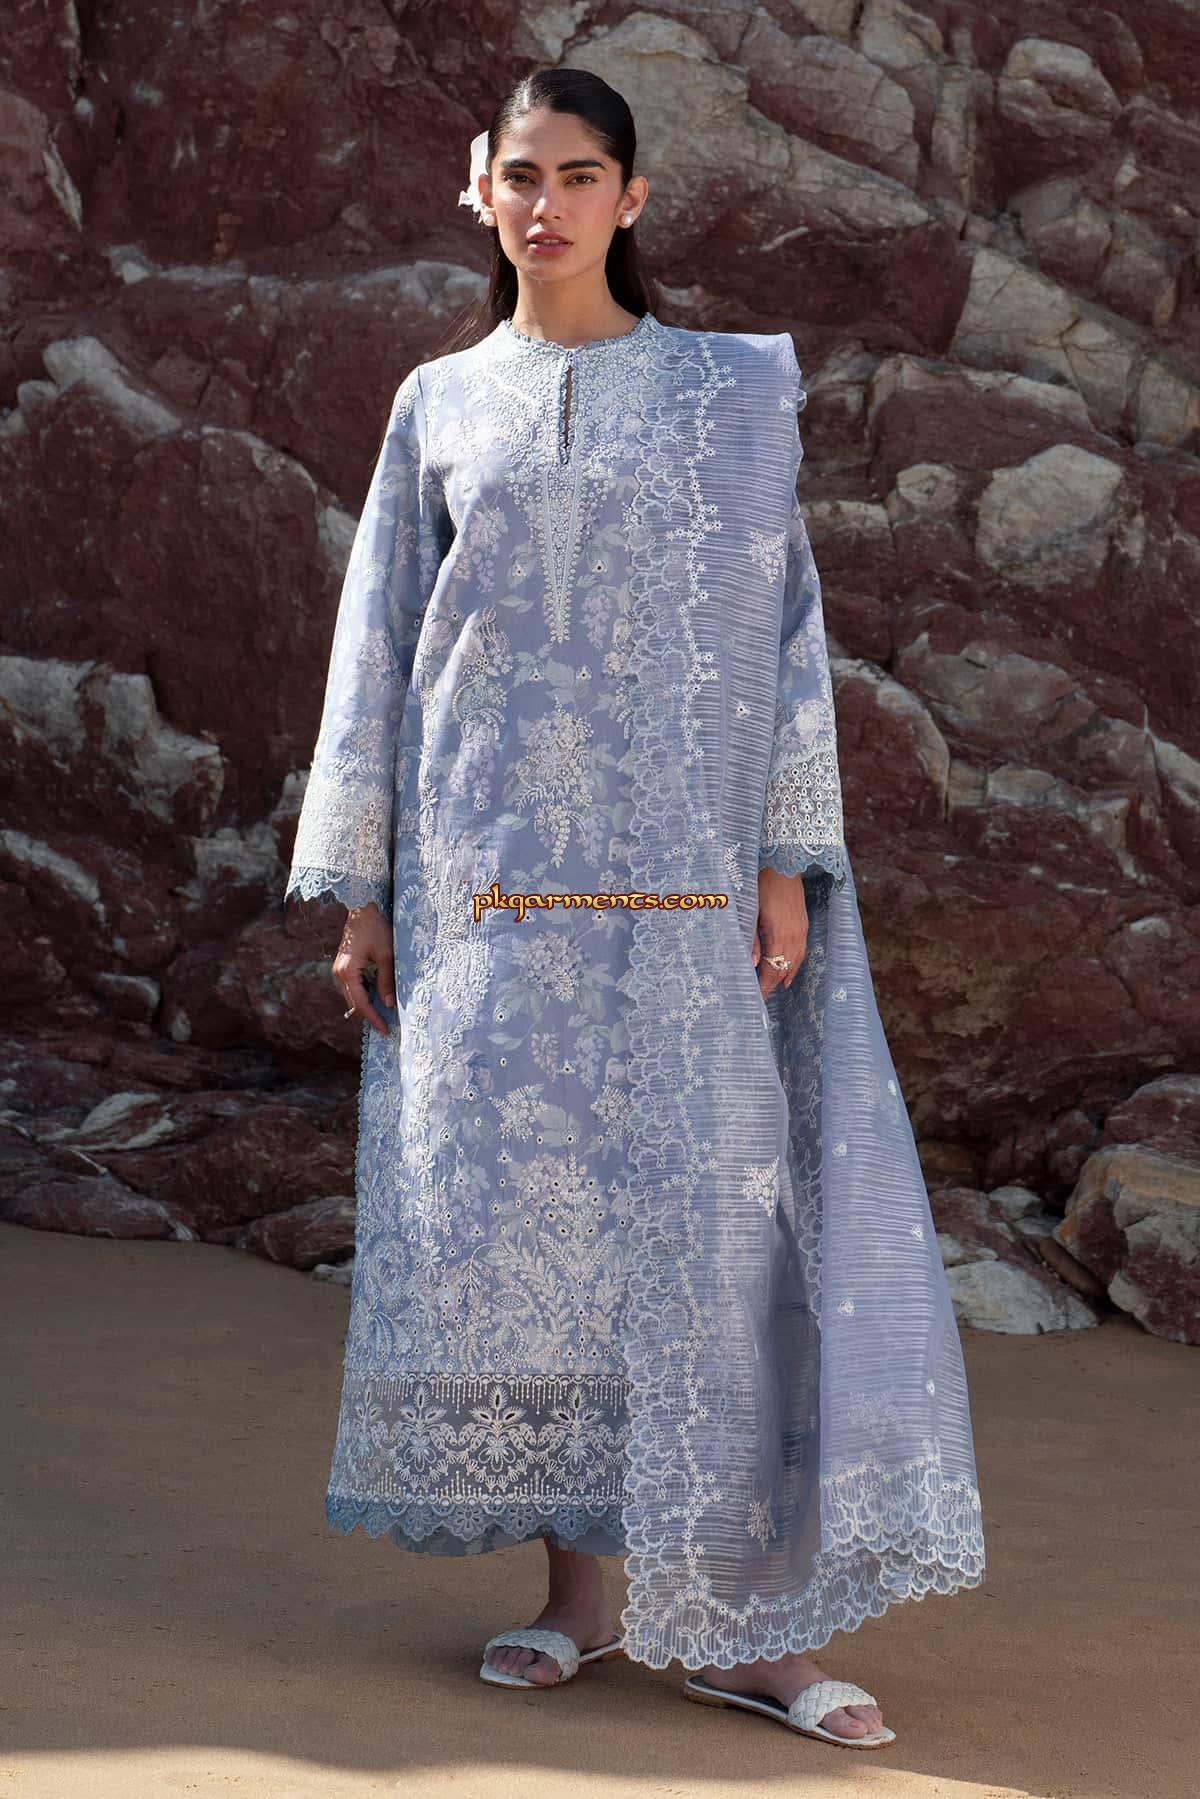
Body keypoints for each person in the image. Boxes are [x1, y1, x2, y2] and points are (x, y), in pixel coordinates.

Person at [285, 66, 985, 1752]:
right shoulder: (439, 401)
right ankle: (581, 1601)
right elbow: (379, 643)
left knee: (715, 1230)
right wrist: (366, 894)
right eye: (522, 175)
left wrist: (780, 859)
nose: (549, 206)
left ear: (633, 195)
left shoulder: (725, 396)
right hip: (486, 884)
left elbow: (789, 629)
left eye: (581, 175)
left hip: (679, 886)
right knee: (530, 1230)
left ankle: (749, 1630)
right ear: (479, 189)